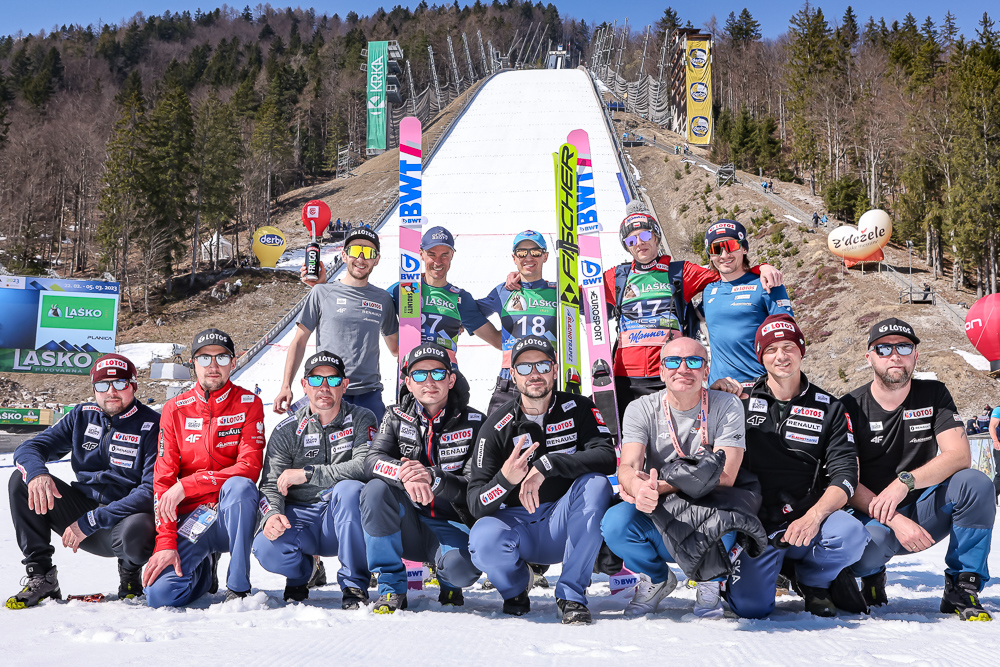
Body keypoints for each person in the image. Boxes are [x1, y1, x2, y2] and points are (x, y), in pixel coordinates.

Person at [841, 318, 995, 621]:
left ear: (916, 356)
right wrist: (895, 519)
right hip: (873, 515)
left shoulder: (934, 394)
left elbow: (959, 455)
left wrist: (904, 483)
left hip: (924, 508)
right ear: (868, 357)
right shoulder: (849, 405)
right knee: (868, 549)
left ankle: (962, 587)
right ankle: (872, 577)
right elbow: (847, 481)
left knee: (975, 483)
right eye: (883, 348)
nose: (894, 355)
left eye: (904, 347)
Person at [601, 336, 760, 619]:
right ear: (661, 371)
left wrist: (660, 487)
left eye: (694, 361)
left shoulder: (726, 405)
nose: (683, 369)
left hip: (711, 506)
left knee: (719, 520)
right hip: (660, 511)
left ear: (706, 371)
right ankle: (656, 578)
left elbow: (725, 476)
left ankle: (709, 582)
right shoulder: (641, 408)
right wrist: (638, 487)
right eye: (673, 361)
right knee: (615, 524)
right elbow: (627, 466)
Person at [723, 315, 869, 618]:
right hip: (756, 524)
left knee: (852, 534)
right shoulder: (739, 401)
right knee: (751, 609)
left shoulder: (829, 406)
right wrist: (711, 396)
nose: (781, 356)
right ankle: (771, 569)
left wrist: (815, 516)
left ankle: (813, 581)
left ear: (801, 350)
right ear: (760, 356)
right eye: (771, 349)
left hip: (805, 518)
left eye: (788, 347)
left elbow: (845, 474)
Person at [467, 336, 616, 624]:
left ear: (555, 369)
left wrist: (546, 464)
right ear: (512, 375)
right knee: (483, 537)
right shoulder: (495, 425)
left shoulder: (579, 407)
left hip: (563, 523)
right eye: (524, 367)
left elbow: (606, 457)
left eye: (543, 365)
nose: (534, 374)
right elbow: (475, 503)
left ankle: (571, 595)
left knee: (597, 484)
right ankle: (516, 587)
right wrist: (505, 480)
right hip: (517, 527)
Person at [604, 204, 783, 425]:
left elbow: (725, 270)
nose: (639, 243)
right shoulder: (617, 277)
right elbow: (582, 301)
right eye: (631, 240)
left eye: (644, 235)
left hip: (670, 373)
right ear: (627, 247)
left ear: (656, 237)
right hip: (626, 376)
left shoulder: (680, 272)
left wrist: (761, 268)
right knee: (632, 442)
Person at [6, 354, 159, 608]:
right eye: (102, 385)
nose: (111, 391)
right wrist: (37, 474)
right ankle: (41, 576)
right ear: (93, 389)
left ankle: (130, 576)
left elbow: (151, 490)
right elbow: (29, 448)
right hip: (78, 513)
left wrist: (94, 520)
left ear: (133, 385)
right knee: (21, 481)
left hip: (121, 521)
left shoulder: (152, 424)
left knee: (142, 525)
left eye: (120, 383)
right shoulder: (82, 415)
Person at [143, 329, 266, 607]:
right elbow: (163, 481)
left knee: (241, 487)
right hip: (193, 518)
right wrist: (165, 543)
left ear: (233, 363)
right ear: (193, 364)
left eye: (222, 358)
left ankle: (237, 586)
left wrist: (188, 484)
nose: (213, 365)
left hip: (232, 514)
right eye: (204, 358)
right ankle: (203, 570)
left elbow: (249, 468)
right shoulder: (174, 409)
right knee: (160, 596)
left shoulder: (249, 404)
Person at [361, 343, 486, 613]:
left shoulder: (476, 421)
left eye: (438, 374)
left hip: (451, 522)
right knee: (374, 490)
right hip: (407, 523)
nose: (429, 382)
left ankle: (446, 579)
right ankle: (391, 588)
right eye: (419, 375)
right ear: (408, 382)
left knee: (462, 571)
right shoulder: (395, 416)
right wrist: (406, 475)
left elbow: (475, 488)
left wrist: (433, 479)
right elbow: (372, 460)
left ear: (451, 380)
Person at [252, 351, 377, 607]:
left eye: (332, 380)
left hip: (342, 518)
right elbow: (270, 484)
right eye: (316, 380)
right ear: (304, 385)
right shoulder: (287, 429)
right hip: (301, 519)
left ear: (344, 385)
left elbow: (365, 467)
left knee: (349, 490)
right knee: (266, 546)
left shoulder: (363, 418)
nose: (324, 388)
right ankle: (302, 573)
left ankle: (354, 584)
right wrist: (272, 514)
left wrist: (309, 473)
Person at [274, 227, 399, 423]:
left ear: (376, 259)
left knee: (374, 453)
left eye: (368, 252)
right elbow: (299, 341)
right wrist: (286, 385)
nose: (361, 258)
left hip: (368, 395)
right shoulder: (321, 293)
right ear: (343, 255)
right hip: (329, 392)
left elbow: (396, 348)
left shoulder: (383, 299)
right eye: (355, 250)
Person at [389, 226, 501, 366]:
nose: (438, 261)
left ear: (452, 255)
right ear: (421, 254)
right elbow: (376, 308)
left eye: (444, 254)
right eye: (432, 254)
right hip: (412, 376)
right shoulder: (404, 289)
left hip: (446, 377)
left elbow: (497, 340)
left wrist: (513, 290)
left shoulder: (460, 298)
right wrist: (393, 345)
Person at [702, 220, 793, 387]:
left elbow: (787, 335)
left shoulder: (766, 284)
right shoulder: (708, 291)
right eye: (716, 249)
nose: (724, 255)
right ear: (710, 255)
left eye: (730, 245)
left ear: (744, 248)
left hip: (758, 386)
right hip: (718, 389)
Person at [477, 230, 558, 415]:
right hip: (511, 378)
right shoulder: (503, 292)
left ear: (545, 256)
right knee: (496, 437)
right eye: (522, 253)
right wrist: (496, 338)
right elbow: (469, 313)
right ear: (514, 258)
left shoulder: (559, 291)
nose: (528, 257)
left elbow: (594, 303)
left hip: (546, 377)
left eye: (535, 252)